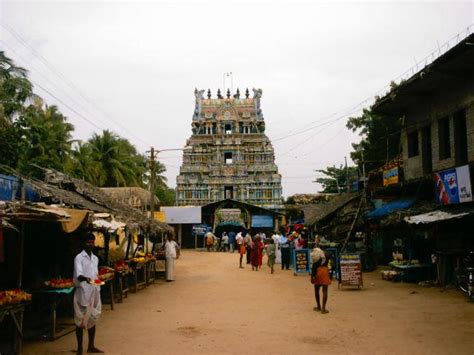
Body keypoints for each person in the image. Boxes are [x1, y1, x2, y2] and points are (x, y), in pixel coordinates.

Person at [73, 234, 103, 355]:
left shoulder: (95, 258)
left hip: (94, 292)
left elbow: (95, 275)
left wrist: (97, 280)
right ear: (84, 243)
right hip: (83, 292)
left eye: (92, 242)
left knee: (93, 318)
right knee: (80, 320)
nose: (90, 244)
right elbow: (79, 274)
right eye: (88, 242)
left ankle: (91, 345)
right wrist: (88, 279)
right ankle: (79, 348)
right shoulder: (78, 258)